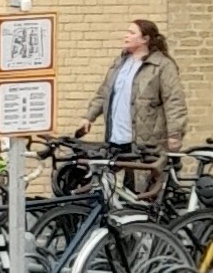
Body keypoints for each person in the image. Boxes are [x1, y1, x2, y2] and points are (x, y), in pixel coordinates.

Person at [79, 18, 185, 192]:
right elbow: (104, 93)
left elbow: (174, 101)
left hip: (145, 142)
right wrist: (88, 117)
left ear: (145, 39)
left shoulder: (162, 66)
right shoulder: (120, 63)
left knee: (144, 191)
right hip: (117, 139)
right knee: (117, 190)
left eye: (132, 33)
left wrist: (175, 134)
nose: (126, 36)